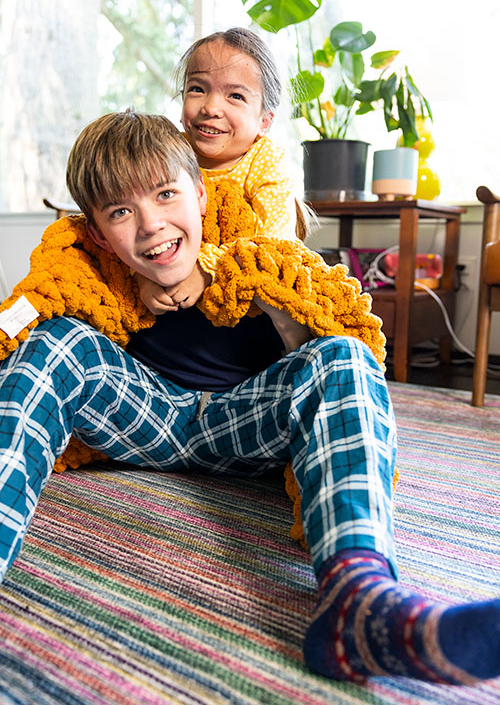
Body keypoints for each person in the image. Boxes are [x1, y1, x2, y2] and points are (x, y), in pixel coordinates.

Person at [1, 110, 499, 686]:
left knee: (344, 357)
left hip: (244, 419)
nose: (150, 226)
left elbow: (321, 339)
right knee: (54, 342)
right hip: (150, 414)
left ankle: (359, 601)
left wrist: (227, 282)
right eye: (120, 212)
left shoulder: (257, 246)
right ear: (95, 231)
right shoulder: (84, 265)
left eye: (166, 195)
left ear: (202, 194)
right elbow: (27, 314)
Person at [136, 26, 310, 315]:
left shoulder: (265, 161)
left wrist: (207, 270)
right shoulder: (165, 153)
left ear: (265, 121)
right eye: (197, 89)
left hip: (246, 313)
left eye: (236, 97)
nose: (211, 107)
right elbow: (135, 227)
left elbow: (276, 246)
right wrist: (142, 277)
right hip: (170, 308)